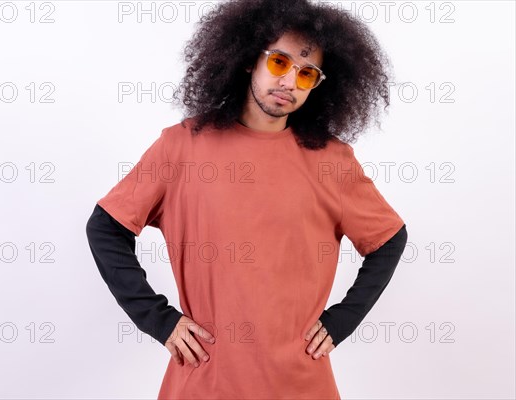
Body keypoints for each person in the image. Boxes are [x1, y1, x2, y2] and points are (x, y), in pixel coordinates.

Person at [85, 0, 408, 398]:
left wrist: (344, 318)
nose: (290, 81)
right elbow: (106, 227)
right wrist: (158, 319)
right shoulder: (182, 146)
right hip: (205, 380)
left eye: (306, 74)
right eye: (278, 63)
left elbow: (389, 239)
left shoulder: (332, 162)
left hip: (300, 384)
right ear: (246, 59)